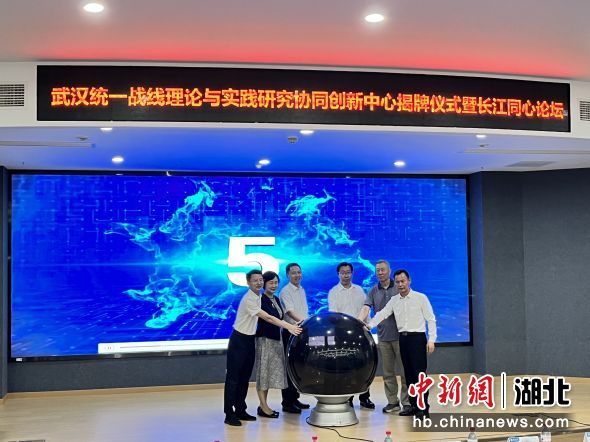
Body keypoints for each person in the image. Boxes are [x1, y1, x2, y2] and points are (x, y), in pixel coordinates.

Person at [224, 269, 302, 426]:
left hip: (249, 340)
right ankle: (229, 414)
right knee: (233, 379)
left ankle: (240, 410)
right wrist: (289, 326)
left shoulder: (259, 296)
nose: (259, 283)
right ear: (248, 282)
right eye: (255, 280)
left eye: (260, 280)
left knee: (244, 378)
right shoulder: (249, 299)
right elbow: (268, 317)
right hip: (239, 341)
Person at [367, 269, 437, 418]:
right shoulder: (394, 300)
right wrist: (369, 325)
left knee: (419, 375)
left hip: (417, 339)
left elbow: (431, 319)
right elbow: (382, 314)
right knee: (408, 375)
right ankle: (413, 405)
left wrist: (432, 340)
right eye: (398, 282)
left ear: (409, 281)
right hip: (403, 340)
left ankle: (423, 408)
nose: (400, 284)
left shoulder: (420, 298)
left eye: (403, 281)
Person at [358, 260, 411, 414]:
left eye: (383, 270)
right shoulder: (373, 291)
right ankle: (392, 402)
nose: (380, 273)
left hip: (401, 337)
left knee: (405, 372)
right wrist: (358, 321)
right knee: (388, 373)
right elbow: (366, 308)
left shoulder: (399, 287)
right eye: (378, 270)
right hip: (383, 338)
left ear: (389, 270)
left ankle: (407, 402)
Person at [328, 261, 375, 410]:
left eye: (348, 272)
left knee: (363, 365)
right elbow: (334, 315)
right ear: (338, 274)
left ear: (352, 273)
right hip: (342, 335)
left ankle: (365, 398)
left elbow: (365, 310)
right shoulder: (334, 292)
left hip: (360, 333)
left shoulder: (359, 290)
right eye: (343, 272)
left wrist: (368, 327)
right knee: (346, 366)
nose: (346, 275)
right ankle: (348, 398)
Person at [255, 271, 301, 418]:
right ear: (264, 284)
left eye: (276, 282)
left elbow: (281, 318)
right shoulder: (260, 299)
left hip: (276, 340)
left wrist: (296, 324)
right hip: (265, 340)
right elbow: (270, 319)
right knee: (263, 374)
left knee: (268, 374)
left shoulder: (276, 299)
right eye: (271, 283)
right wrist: (289, 326)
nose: (274, 285)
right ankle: (263, 406)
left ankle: (264, 405)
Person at [278, 262, 310, 413]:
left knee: (298, 366)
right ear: (287, 275)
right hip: (290, 331)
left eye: (299, 272)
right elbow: (290, 312)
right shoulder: (285, 292)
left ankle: (294, 398)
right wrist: (306, 322)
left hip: (301, 330)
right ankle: (287, 402)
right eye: (293, 273)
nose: (297, 275)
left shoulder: (301, 289)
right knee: (289, 367)